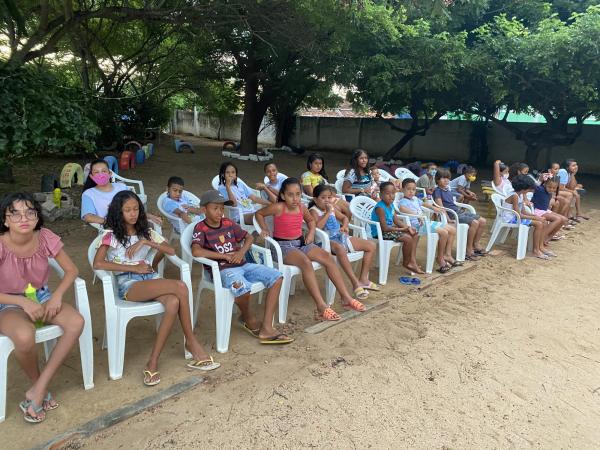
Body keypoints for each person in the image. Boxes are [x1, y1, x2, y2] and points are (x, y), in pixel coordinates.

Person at [93, 191, 219, 387]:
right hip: (129, 284)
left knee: (173, 302)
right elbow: (98, 264)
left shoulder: (146, 232)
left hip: (150, 278)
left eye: (136, 209)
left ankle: (152, 362)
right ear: (119, 212)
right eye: (127, 210)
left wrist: (146, 242)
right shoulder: (111, 235)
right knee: (180, 286)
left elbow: (171, 250)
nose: (133, 214)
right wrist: (133, 268)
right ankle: (191, 341)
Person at [0, 192, 84, 423]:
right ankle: (38, 387)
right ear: (5, 220)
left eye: (30, 212)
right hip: (7, 303)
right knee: (24, 336)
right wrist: (22, 302)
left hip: (42, 297)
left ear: (37, 217)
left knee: (76, 322)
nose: (23, 218)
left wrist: (57, 296)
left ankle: (38, 388)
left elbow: (72, 270)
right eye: (15, 214)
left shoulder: (45, 236)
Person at [255, 178, 366, 321]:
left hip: (301, 243)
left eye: (298, 194)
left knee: (328, 258)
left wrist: (312, 232)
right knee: (305, 263)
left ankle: (346, 297)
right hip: (283, 247)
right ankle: (321, 306)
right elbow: (259, 214)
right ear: (282, 195)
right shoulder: (278, 207)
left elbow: (310, 221)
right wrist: (264, 228)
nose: (295, 198)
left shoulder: (301, 207)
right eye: (290, 195)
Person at [191, 190, 293, 344]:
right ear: (204, 209)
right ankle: (248, 318)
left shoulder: (228, 223)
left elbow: (249, 237)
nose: (220, 212)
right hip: (223, 270)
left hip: (243, 264)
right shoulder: (201, 228)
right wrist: (225, 256)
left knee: (277, 277)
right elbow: (196, 251)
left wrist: (241, 252)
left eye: (222, 208)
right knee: (242, 288)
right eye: (215, 208)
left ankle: (267, 326)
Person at [309, 185, 378, 299]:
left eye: (329, 197)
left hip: (339, 237)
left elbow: (344, 218)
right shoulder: (314, 211)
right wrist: (327, 213)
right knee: (340, 248)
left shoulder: (332, 208)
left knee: (371, 246)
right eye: (323, 197)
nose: (327, 200)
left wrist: (345, 226)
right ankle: (355, 283)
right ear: (315, 199)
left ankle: (363, 279)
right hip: (324, 242)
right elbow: (317, 228)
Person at [397, 178, 460, 273]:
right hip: (417, 226)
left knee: (452, 230)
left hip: (426, 222)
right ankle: (440, 258)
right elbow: (402, 209)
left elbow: (424, 204)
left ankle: (447, 255)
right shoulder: (403, 201)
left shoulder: (415, 199)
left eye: (413, 189)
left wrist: (435, 208)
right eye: (408, 189)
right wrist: (417, 215)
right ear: (402, 190)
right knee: (444, 232)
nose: (411, 191)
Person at [81, 159, 161, 227]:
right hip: (112, 227)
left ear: (110, 173)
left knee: (153, 231)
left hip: (133, 223)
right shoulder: (89, 194)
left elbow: (134, 206)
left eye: (104, 171)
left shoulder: (122, 187)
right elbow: (88, 216)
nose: (101, 175)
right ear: (91, 176)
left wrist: (149, 216)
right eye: (96, 172)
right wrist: (110, 223)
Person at [433, 168, 488, 261]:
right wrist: (448, 219)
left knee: (483, 221)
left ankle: (475, 245)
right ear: (437, 179)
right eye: (443, 178)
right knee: (474, 223)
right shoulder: (437, 191)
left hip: (459, 212)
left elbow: (453, 202)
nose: (446, 180)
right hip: (453, 215)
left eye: (447, 178)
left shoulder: (447, 189)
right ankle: (468, 250)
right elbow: (441, 207)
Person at [370, 182, 422, 273]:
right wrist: (403, 229)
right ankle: (407, 263)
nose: (391, 196)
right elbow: (385, 228)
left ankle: (412, 261)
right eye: (387, 194)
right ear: (381, 195)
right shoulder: (380, 208)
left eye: (393, 193)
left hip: (389, 230)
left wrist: (408, 227)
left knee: (415, 234)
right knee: (407, 238)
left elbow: (396, 221)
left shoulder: (391, 205)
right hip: (380, 233)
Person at [501, 175, 554, 260]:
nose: (530, 190)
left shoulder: (520, 195)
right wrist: (536, 218)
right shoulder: (514, 196)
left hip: (516, 216)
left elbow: (523, 211)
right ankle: (536, 250)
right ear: (523, 188)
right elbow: (519, 215)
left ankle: (540, 247)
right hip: (510, 219)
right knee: (539, 224)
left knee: (543, 222)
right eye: (529, 189)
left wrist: (535, 216)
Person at [531, 174, 568, 244]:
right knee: (557, 219)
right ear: (545, 184)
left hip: (544, 210)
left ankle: (548, 238)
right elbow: (533, 186)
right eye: (549, 187)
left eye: (554, 188)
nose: (551, 189)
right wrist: (540, 180)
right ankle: (541, 238)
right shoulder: (540, 189)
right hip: (536, 211)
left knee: (564, 219)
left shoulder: (550, 192)